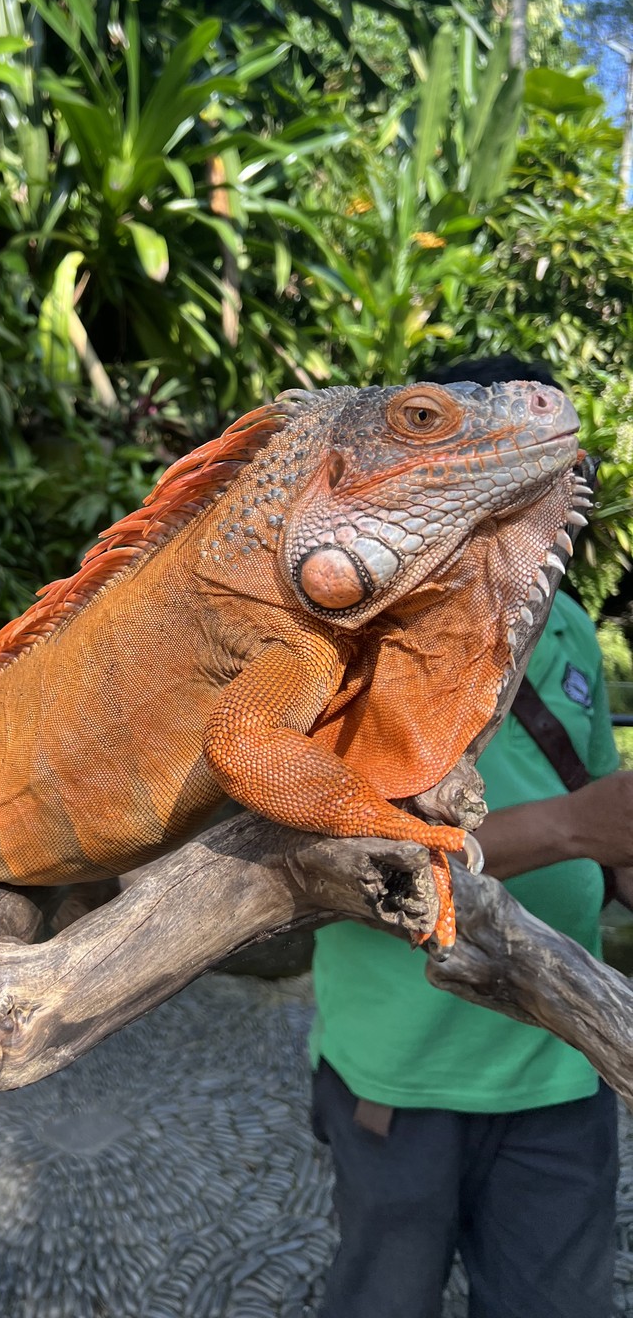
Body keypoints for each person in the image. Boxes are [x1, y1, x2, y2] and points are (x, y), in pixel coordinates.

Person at [308, 355, 633, 1318]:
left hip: (563, 1059)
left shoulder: (563, 621)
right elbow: (333, 859)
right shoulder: (346, 636)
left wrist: (613, 857)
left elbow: (600, 820)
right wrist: (575, 826)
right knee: (383, 1298)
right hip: (402, 1075)